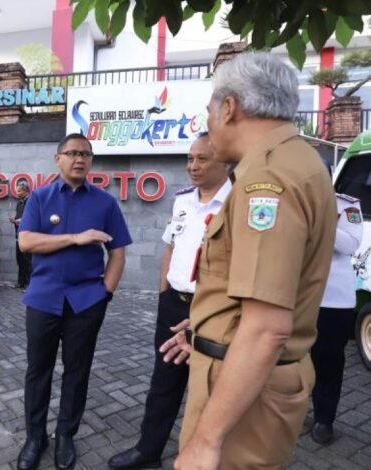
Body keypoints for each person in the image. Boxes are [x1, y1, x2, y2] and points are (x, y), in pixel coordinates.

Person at [160, 52, 336, 469]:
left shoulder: (267, 181)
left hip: (244, 390)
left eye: (209, 110)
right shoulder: (299, 161)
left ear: (229, 107)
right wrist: (206, 323)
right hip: (246, 374)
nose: (208, 124)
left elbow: (265, 330)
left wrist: (206, 441)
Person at [108, 133, 231, 470]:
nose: (193, 165)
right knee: (163, 381)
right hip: (173, 304)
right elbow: (170, 248)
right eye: (190, 158)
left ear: (224, 161)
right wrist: (164, 291)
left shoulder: (237, 205)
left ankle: (201, 456)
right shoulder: (182, 202)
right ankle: (148, 451)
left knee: (209, 387)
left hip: (213, 311)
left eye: (202, 159)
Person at [16, 133, 132, 470]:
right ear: (58, 159)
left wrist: (105, 293)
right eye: (72, 153)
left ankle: (66, 435)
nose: (79, 159)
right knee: (39, 371)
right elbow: (26, 242)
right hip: (43, 299)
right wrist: (74, 238)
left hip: (86, 302)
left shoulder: (105, 203)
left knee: (77, 371)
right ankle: (35, 437)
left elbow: (118, 251)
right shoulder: (39, 198)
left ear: (91, 160)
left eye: (85, 154)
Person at [310, 192, 363, 444]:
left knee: (328, 362)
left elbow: (351, 244)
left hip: (332, 300)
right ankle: (289, 410)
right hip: (295, 297)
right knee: (287, 360)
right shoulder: (287, 199)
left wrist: (320, 221)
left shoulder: (346, 205)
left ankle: (324, 418)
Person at [10, 181, 32, 290]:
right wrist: (14, 220)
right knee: (20, 260)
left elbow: (32, 218)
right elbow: (18, 217)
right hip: (18, 236)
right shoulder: (19, 203)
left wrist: (21, 221)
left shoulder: (31, 202)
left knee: (28, 261)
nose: (17, 193)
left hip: (28, 237)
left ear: (25, 191)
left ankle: (29, 285)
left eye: (19, 191)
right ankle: (20, 282)